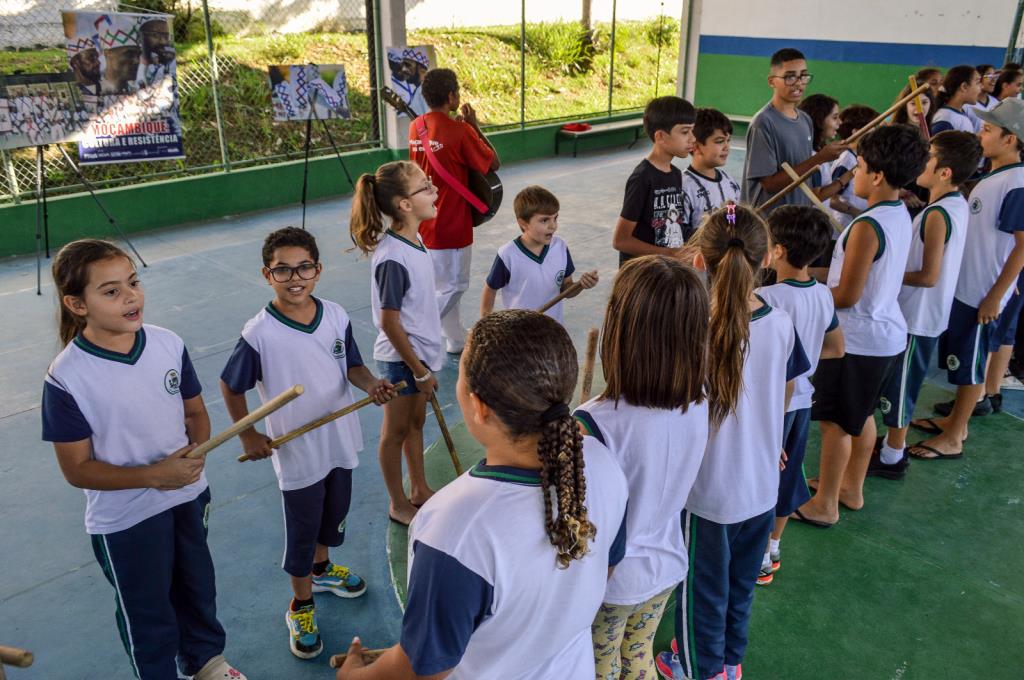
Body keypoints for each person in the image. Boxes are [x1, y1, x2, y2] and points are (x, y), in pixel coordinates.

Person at [336, 310, 629, 680]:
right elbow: (605, 569)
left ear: (479, 406)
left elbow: (422, 670)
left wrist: (354, 676)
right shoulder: (603, 465)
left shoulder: (453, 530)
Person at [41, 240, 246, 680]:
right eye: (111, 291)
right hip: (127, 517)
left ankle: (207, 663)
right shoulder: (67, 376)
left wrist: (198, 450)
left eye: (133, 283)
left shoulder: (168, 344)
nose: (131, 297)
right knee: (147, 612)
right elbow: (77, 469)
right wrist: (155, 475)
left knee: (197, 589)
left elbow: (195, 413)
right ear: (77, 304)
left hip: (188, 495)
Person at [219, 227, 396, 660]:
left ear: (318, 269)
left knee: (331, 515)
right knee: (302, 530)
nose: (294, 277)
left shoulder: (334, 314)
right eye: (283, 269)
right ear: (268, 274)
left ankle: (321, 570)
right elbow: (231, 385)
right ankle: (301, 603)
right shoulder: (259, 333)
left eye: (304, 267)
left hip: (339, 440)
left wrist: (371, 384)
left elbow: (351, 365)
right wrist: (248, 432)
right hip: (298, 453)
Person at [657, 204, 809, 680]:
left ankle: (699, 669)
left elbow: (670, 411)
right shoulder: (780, 323)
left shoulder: (689, 326)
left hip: (706, 492)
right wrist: (770, 437)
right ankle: (728, 663)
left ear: (699, 260)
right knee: (740, 585)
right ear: (766, 259)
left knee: (702, 588)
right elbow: (785, 394)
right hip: (762, 483)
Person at [578, 256, 709, 680]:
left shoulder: (592, 422)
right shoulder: (700, 400)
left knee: (600, 667)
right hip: (667, 565)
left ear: (620, 331)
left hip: (609, 582)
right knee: (637, 659)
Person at [795, 124, 930, 525]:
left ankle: (825, 505)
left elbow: (847, 295)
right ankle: (850, 489)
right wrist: (803, 273)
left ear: (878, 176)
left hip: (856, 340)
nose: (854, 174)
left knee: (835, 424)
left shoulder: (867, 226)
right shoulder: (897, 211)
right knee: (862, 417)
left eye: (860, 166)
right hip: (884, 337)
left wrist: (801, 293)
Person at [910, 99, 1024, 458]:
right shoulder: (997, 176)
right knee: (962, 359)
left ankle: (955, 435)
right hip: (971, 287)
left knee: (971, 363)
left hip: (981, 293)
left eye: (988, 130)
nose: (981, 133)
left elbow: (1022, 246)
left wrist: (996, 295)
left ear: (1011, 139)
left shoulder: (1017, 182)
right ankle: (954, 422)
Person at [864, 131, 980, 477]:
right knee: (901, 383)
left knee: (901, 388)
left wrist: (887, 271)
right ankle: (890, 445)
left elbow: (928, 275)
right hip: (926, 312)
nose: (921, 163)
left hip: (917, 315)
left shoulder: (936, 215)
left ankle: (892, 456)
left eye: (929, 157)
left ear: (944, 171)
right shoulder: (954, 203)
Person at [754, 206, 845, 586]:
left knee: (761, 477)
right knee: (789, 476)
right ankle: (774, 546)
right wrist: (802, 360)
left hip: (769, 406)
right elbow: (836, 347)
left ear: (776, 250)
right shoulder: (823, 294)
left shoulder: (765, 296)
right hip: (803, 401)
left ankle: (756, 555)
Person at [350, 161, 444, 526]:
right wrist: (419, 371)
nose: (433, 190)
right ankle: (398, 501)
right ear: (404, 204)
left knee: (416, 423)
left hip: (421, 356)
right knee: (395, 432)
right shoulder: (393, 258)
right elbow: (390, 322)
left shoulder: (414, 240)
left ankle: (419, 488)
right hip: (404, 360)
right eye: (425, 186)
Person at [409, 68, 500, 353]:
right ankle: (414, 333)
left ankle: (456, 340)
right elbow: (492, 163)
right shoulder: (460, 131)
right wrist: (474, 126)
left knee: (441, 285)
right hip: (452, 223)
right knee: (455, 285)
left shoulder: (416, 127)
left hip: (424, 221)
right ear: (451, 96)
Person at [742, 48, 846, 210]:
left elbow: (804, 179)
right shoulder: (763, 122)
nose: (798, 83)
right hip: (769, 222)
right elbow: (769, 184)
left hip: (796, 220)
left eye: (803, 76)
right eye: (790, 77)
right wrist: (819, 158)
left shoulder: (805, 120)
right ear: (772, 81)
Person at [481, 185, 598, 323]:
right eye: (544, 220)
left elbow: (566, 288)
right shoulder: (508, 255)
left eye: (555, 218)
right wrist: (486, 322)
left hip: (553, 328)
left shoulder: (560, 247)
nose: (553, 226)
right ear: (523, 223)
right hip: (520, 331)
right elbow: (490, 289)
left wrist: (581, 285)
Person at [612, 95, 696, 263]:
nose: (693, 138)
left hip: (664, 271)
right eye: (685, 132)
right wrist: (668, 253)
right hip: (641, 276)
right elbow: (620, 240)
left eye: (693, 131)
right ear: (660, 137)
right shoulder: (642, 177)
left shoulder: (676, 174)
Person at [681, 107, 742, 238]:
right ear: (696, 146)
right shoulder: (684, 187)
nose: (727, 147)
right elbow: (680, 236)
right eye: (720, 141)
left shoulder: (730, 183)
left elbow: (734, 221)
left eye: (728, 140)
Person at [829, 105, 879, 230]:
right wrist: (855, 212)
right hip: (842, 227)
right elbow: (832, 200)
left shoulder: (858, 156)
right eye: (872, 128)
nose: (875, 132)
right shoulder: (846, 160)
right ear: (856, 132)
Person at [930, 65, 982, 135]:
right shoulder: (946, 119)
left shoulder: (958, 114)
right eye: (978, 82)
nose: (981, 87)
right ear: (964, 87)